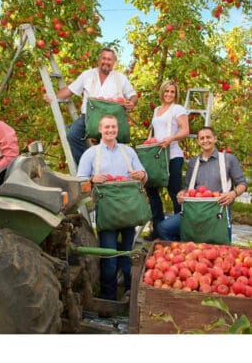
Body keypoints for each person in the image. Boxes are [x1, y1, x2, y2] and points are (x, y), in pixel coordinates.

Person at [77, 114, 147, 301]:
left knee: (127, 255)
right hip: (107, 212)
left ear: (118, 129)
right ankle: (107, 299)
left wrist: (141, 174)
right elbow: (80, 181)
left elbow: (144, 177)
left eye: (113, 127)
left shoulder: (128, 151)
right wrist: (92, 179)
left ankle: (129, 296)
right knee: (108, 257)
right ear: (100, 129)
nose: (110, 130)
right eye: (106, 127)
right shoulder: (91, 154)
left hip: (128, 210)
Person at [44, 47, 138, 166]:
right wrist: (53, 97)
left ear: (113, 63)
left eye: (109, 59)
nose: (106, 62)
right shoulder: (87, 75)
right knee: (72, 135)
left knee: (112, 147)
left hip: (111, 119)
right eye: (104, 58)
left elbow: (133, 95)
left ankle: (110, 172)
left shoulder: (120, 78)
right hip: (88, 118)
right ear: (99, 60)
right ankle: (86, 166)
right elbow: (70, 90)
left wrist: (132, 102)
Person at [157, 126, 248, 241]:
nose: (205, 140)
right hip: (195, 211)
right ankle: (183, 249)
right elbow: (187, 187)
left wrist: (233, 194)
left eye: (208, 137)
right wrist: (181, 193)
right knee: (163, 228)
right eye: (202, 138)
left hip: (218, 212)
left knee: (222, 245)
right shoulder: (193, 162)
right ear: (198, 142)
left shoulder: (228, 159)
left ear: (215, 139)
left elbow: (242, 184)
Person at [145, 80, 189, 240]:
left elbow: (185, 130)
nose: (169, 94)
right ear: (162, 92)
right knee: (152, 191)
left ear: (176, 94)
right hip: (157, 158)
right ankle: (158, 228)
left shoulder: (178, 109)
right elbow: (155, 132)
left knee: (175, 193)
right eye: (167, 91)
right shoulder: (157, 110)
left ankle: (179, 231)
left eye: (172, 92)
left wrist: (171, 138)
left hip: (172, 157)